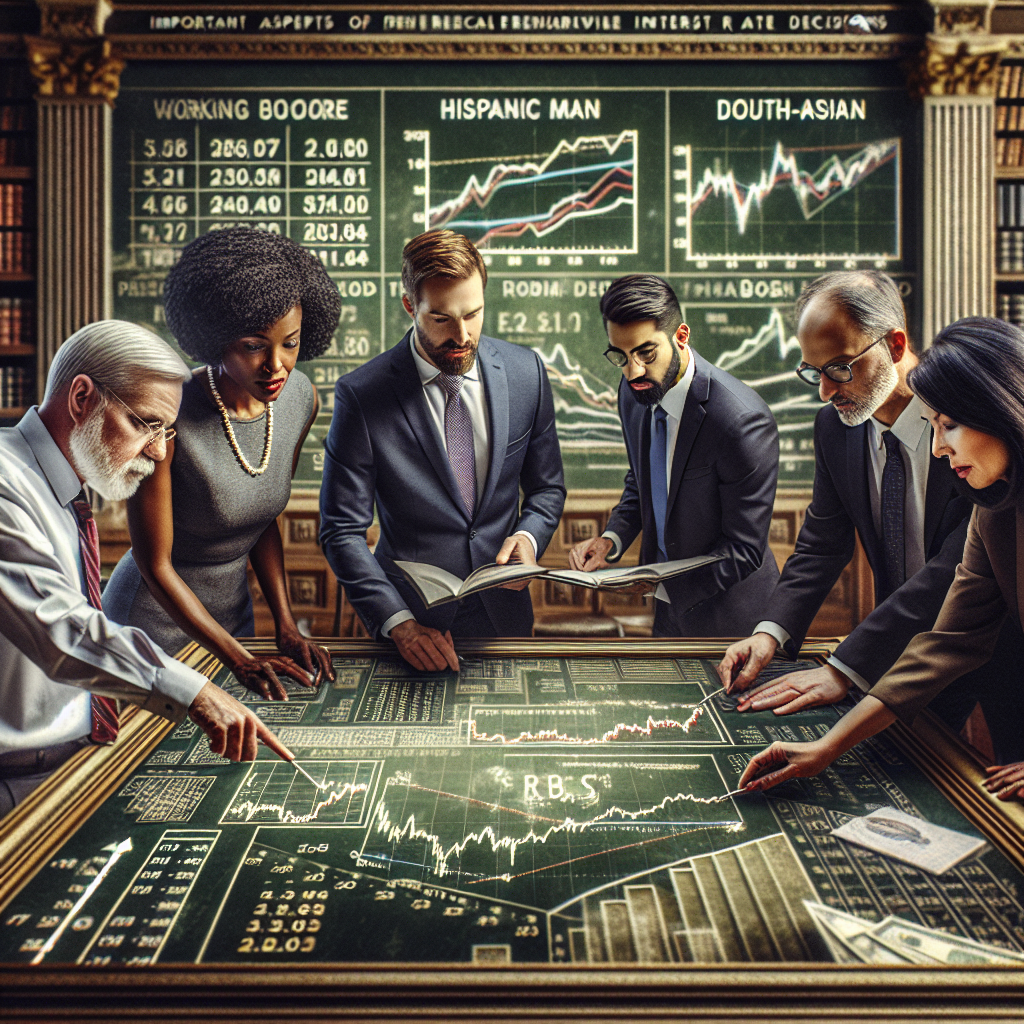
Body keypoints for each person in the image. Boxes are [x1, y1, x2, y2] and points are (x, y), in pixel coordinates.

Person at [717, 272, 1024, 762]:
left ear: (895, 344)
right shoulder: (836, 428)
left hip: (1000, 650)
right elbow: (822, 542)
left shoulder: (975, 431)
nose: (823, 391)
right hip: (912, 651)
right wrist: (769, 632)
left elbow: (952, 573)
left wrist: (844, 667)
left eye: (839, 368)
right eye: (812, 371)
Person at [0, 320, 292, 815]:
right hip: (19, 780)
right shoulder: (6, 481)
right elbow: (59, 628)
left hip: (78, 760)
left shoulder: (63, 483)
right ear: (81, 399)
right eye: (144, 424)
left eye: (166, 430)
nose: (159, 453)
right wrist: (195, 691)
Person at [103, 228, 339, 700]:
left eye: (290, 343)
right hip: (151, 625)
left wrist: (285, 625)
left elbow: (260, 518)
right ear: (215, 338)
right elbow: (154, 564)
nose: (276, 365)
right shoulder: (167, 413)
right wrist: (239, 659)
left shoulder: (300, 399)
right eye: (254, 346)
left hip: (234, 624)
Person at [319, 229, 565, 670]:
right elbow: (341, 531)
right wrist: (398, 623)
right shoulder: (360, 396)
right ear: (410, 306)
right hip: (411, 624)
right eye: (441, 319)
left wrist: (528, 539)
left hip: (505, 617)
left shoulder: (527, 372)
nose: (463, 335)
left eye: (474, 314)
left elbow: (547, 489)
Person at [568, 274, 779, 637]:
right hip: (668, 618)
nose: (632, 370)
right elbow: (644, 478)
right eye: (620, 355)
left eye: (646, 353)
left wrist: (657, 586)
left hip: (734, 624)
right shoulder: (634, 390)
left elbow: (743, 551)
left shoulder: (741, 422)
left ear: (681, 336)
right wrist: (612, 538)